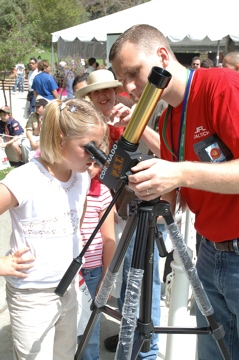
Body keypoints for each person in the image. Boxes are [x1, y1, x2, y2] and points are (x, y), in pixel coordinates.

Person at [109, 24, 239, 360]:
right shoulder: (167, 121)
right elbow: (174, 198)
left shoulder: (220, 85)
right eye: (122, 79)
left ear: (162, 56)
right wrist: (144, 187)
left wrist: (177, 171)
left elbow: (182, 175)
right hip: (209, 255)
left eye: (134, 72)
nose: (129, 87)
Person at [0, 97, 108, 360]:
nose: (96, 155)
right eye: (88, 147)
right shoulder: (24, 179)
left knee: (65, 354)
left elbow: (76, 226)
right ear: (60, 139)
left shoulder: (81, 177)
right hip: (32, 295)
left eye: (100, 145)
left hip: (69, 288)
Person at [76, 69, 168, 359]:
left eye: (108, 90)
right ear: (89, 97)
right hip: (109, 214)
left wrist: (136, 127)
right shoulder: (89, 125)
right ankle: (130, 339)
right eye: (96, 92)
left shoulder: (137, 113)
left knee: (142, 283)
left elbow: (169, 156)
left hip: (141, 213)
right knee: (125, 282)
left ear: (117, 91)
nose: (104, 96)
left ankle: (146, 349)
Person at [78, 151, 116, 360]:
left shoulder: (102, 192)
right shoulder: (65, 188)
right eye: (86, 163)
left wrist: (106, 279)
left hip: (92, 273)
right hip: (67, 271)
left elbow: (109, 238)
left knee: (89, 332)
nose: (89, 168)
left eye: (94, 164)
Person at [21, 98, 48, 163]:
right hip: (34, 137)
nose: (36, 108)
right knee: (25, 144)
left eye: (38, 107)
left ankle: (40, 163)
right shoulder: (33, 115)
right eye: (36, 107)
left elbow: (49, 133)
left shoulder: (50, 116)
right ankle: (26, 163)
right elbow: (28, 130)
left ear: (45, 107)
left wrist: (40, 141)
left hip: (45, 137)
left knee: (41, 146)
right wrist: (32, 141)